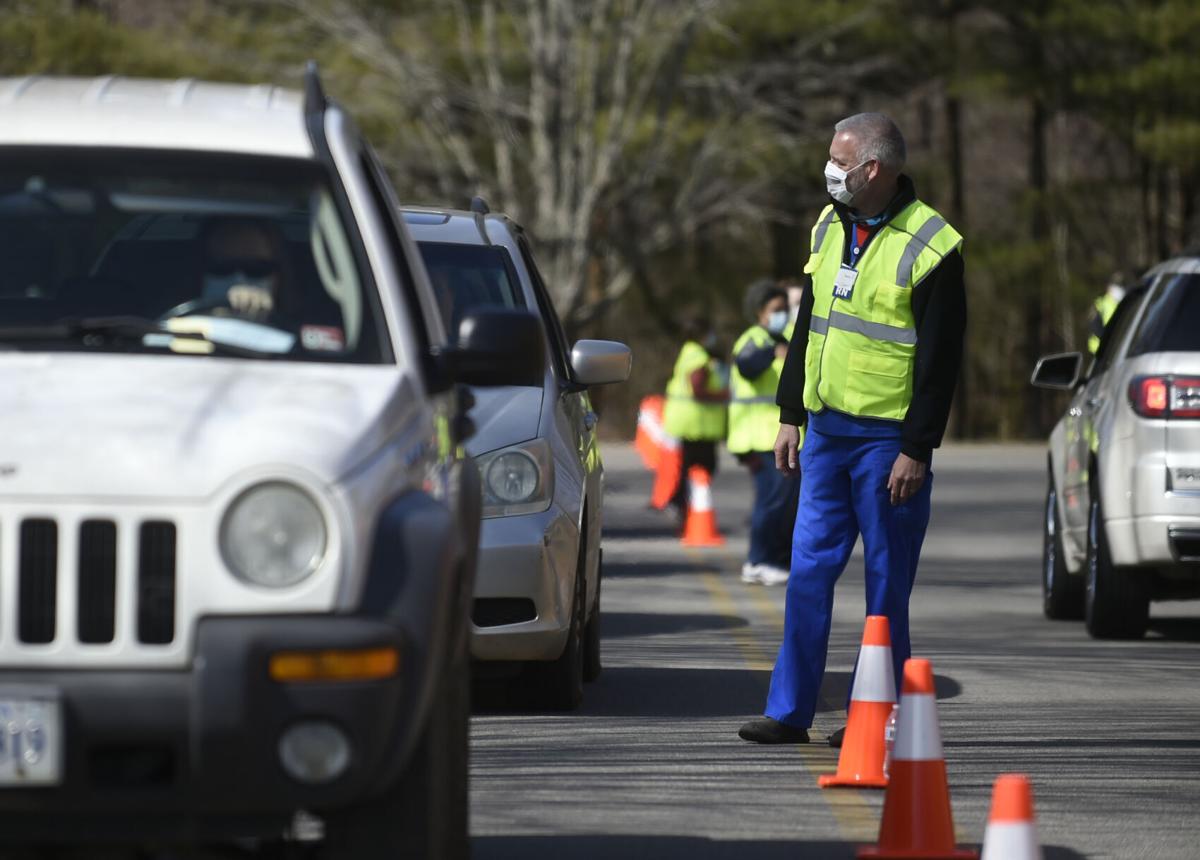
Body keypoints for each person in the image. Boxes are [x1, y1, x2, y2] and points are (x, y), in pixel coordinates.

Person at [738, 112, 966, 745]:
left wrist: (917, 449)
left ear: (874, 169)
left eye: (840, 162)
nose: (829, 172)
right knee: (807, 571)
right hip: (827, 432)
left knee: (886, 582)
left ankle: (877, 718)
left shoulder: (932, 244)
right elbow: (808, 322)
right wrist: (790, 414)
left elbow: (941, 359)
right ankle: (789, 711)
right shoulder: (828, 224)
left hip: (888, 441)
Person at [728, 280, 800, 586]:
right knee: (772, 503)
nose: (783, 314)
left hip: (779, 438)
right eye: (777, 309)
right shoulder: (755, 338)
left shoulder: (782, 337)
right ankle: (759, 560)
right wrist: (773, 353)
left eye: (786, 308)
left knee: (785, 504)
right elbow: (746, 365)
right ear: (760, 312)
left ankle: (778, 560)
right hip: (759, 438)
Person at [662, 316, 729, 523]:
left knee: (689, 466)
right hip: (696, 424)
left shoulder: (688, 352)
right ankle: (683, 505)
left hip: (688, 421)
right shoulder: (699, 357)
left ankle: (681, 504)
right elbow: (698, 391)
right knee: (703, 465)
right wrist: (725, 395)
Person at [1087, 273, 1127, 354]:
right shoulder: (1103, 304)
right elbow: (1098, 327)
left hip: (1112, 349)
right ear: (1109, 288)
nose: (1119, 289)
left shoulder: (1122, 303)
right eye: (1117, 286)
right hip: (1100, 350)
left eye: (1120, 286)